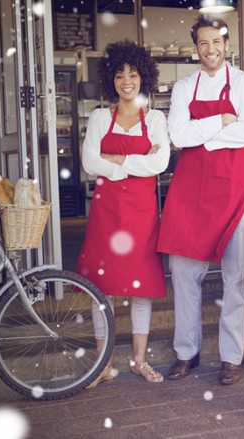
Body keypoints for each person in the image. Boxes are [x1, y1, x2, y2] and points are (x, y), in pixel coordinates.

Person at [158, 15, 244, 385]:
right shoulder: (185, 87)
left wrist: (200, 136)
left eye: (216, 42)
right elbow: (176, 133)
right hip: (192, 191)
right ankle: (186, 352)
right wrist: (221, 120)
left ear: (226, 43)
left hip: (237, 189)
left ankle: (230, 358)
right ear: (196, 49)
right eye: (203, 43)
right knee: (185, 273)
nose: (210, 49)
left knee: (236, 275)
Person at [76, 40, 170, 386]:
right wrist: (133, 165)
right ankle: (103, 365)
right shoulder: (101, 117)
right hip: (107, 211)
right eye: (119, 74)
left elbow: (160, 162)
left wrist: (115, 161)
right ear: (110, 80)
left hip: (142, 213)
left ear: (143, 77)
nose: (126, 81)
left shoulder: (156, 118)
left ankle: (138, 360)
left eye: (132, 73)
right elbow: (89, 162)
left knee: (141, 287)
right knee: (102, 287)